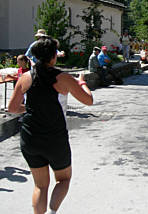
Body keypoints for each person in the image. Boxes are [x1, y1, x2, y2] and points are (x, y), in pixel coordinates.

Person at [8, 36, 93, 214]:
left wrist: (31, 108)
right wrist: (82, 82)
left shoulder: (25, 77)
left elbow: (13, 108)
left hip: (30, 137)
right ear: (54, 56)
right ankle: (53, 212)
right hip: (55, 138)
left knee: (40, 186)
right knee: (63, 180)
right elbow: (88, 101)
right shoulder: (62, 78)